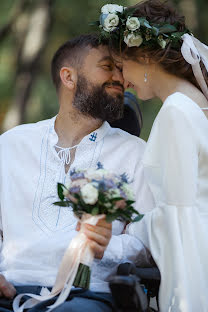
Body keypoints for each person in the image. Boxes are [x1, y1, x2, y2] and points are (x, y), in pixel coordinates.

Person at [0, 34, 154, 312]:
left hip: (88, 296)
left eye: (121, 69)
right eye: (108, 66)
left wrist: (108, 246)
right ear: (68, 77)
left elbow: (146, 244)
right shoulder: (10, 144)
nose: (120, 77)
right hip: (10, 291)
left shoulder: (137, 153)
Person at [97, 0, 208, 311]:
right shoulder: (194, 101)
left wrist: (130, 227)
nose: (121, 78)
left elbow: (178, 216)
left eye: (122, 65)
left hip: (193, 264)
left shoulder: (176, 111)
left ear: (145, 55)